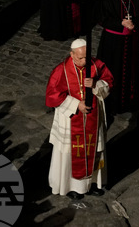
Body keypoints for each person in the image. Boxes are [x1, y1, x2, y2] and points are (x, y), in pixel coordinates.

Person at [45, 38, 113, 200]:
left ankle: (92, 184)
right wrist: (76, 105)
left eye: (86, 57)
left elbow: (109, 82)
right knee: (70, 153)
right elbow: (52, 95)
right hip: (71, 120)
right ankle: (72, 187)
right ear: (72, 54)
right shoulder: (61, 70)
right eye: (80, 58)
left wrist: (96, 84)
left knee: (95, 150)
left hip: (93, 119)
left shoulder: (96, 65)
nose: (84, 61)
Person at [96, 0, 139, 114]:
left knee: (130, 71)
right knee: (112, 72)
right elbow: (102, 19)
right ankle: (111, 104)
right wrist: (121, 23)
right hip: (112, 43)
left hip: (131, 40)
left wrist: (134, 24)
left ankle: (129, 101)